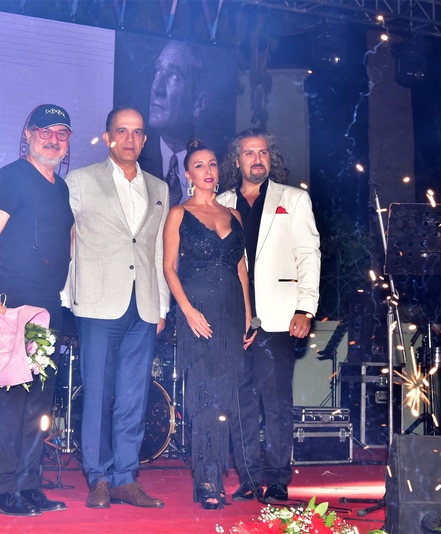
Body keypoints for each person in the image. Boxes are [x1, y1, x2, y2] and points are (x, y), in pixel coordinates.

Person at [65, 107, 169, 509]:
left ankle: (126, 478)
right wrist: (68, 295)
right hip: (97, 302)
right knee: (97, 395)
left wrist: (161, 305)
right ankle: (99, 478)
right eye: (122, 131)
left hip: (143, 306)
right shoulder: (80, 181)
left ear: (144, 140)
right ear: (108, 137)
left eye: (137, 132)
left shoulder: (159, 188)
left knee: (133, 397)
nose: (130, 139)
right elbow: (67, 239)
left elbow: (156, 250)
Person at [0, 104, 74, 517]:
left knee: (38, 402)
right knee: (12, 398)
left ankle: (28, 485)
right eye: (44, 132)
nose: (53, 140)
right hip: (14, 304)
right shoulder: (9, 177)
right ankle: (0, 491)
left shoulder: (61, 189)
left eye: (61, 133)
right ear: (28, 134)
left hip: (48, 307)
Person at [217, 129, 320, 503]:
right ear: (237, 160)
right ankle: (248, 477)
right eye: (249, 153)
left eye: (262, 152)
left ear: (270, 158)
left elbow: (309, 255)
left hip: (279, 316)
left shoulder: (293, 199)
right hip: (233, 319)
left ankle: (277, 478)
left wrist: (305, 308)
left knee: (276, 402)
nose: (256, 159)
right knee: (239, 402)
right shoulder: (220, 202)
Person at [162, 140, 254, 509]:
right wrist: (186, 310)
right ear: (188, 174)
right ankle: (206, 479)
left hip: (231, 312)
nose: (208, 171)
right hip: (196, 311)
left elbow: (241, 269)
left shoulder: (234, 215)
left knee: (225, 397)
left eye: (212, 164)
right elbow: (169, 267)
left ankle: (215, 471)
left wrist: (248, 316)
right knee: (203, 395)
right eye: (199, 165)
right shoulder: (179, 214)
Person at [139, 41, 208, 207]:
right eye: (158, 71)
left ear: (198, 105)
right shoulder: (135, 162)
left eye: (173, 76)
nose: (157, 88)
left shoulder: (214, 170)